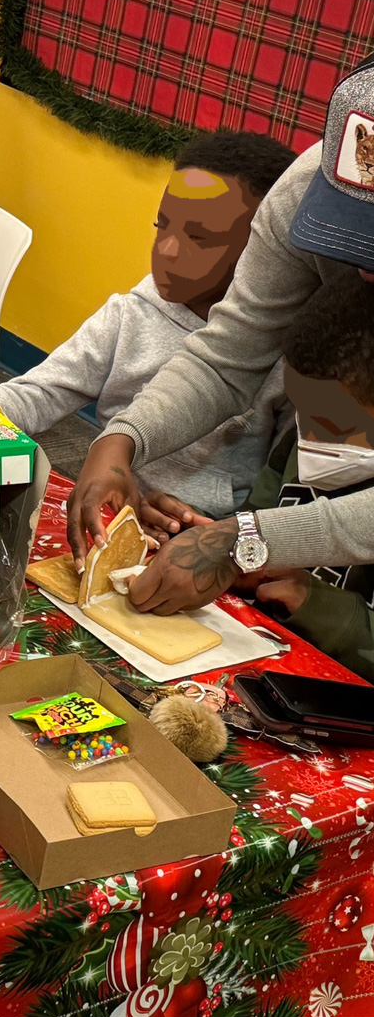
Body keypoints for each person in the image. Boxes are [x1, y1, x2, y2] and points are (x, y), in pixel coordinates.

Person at [66, 60, 374, 615]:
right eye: (353, 240)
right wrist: (122, 439)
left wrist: (246, 539)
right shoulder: (307, 189)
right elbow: (227, 358)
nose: (363, 271)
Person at [0, 130, 295, 523]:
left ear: (263, 251)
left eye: (199, 237)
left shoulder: (287, 357)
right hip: (108, 508)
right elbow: (40, 392)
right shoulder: (131, 314)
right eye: (161, 225)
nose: (166, 250)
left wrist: (219, 535)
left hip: (204, 537)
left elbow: (284, 492)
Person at [231, 280, 374, 680]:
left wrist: (315, 602)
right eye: (301, 414)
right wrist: (227, 541)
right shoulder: (301, 435)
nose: (307, 436)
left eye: (331, 425)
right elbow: (257, 515)